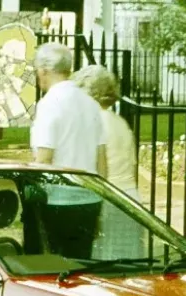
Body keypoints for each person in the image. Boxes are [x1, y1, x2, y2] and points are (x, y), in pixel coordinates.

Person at [25, 43, 108, 259]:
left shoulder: (49, 103)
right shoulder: (91, 104)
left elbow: (44, 158)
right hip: (89, 199)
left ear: (43, 70)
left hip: (57, 202)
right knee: (81, 265)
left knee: (53, 267)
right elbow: (101, 161)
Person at [71, 64, 144, 259]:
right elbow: (133, 166)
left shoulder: (93, 121)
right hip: (130, 197)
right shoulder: (120, 122)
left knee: (105, 261)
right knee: (128, 261)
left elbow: (95, 168)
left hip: (109, 199)